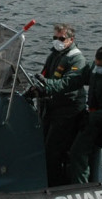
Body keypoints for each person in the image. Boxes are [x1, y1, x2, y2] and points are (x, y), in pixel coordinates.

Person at [39, 45, 102, 184]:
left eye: (101, 65)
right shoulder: (94, 68)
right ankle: (81, 185)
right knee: (77, 152)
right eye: (96, 63)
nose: (98, 67)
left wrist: (91, 116)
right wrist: (49, 86)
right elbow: (73, 81)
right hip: (97, 113)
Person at [33, 23, 88, 185]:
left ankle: (56, 185)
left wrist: (47, 86)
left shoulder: (76, 58)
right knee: (43, 146)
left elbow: (68, 83)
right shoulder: (54, 55)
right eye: (55, 38)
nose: (57, 41)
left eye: (61, 38)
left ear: (71, 40)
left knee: (53, 150)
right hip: (52, 107)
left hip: (68, 110)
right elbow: (45, 75)